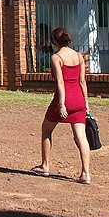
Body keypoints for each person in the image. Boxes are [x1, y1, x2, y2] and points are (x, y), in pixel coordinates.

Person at [31, 27, 92, 184]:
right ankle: (85, 174)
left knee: (46, 129)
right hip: (79, 99)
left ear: (54, 41)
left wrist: (62, 104)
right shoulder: (79, 56)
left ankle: (45, 166)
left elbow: (60, 82)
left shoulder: (56, 57)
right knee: (81, 136)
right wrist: (86, 102)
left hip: (64, 99)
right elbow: (82, 81)